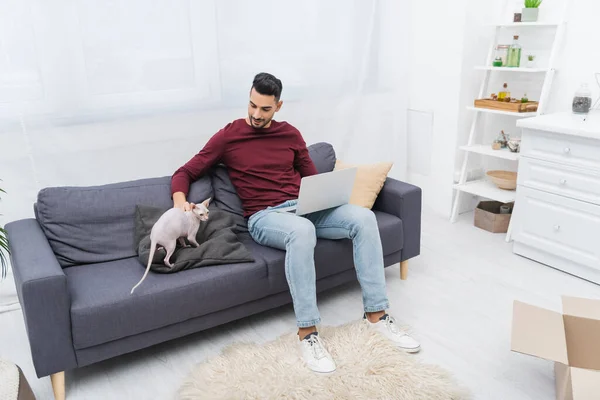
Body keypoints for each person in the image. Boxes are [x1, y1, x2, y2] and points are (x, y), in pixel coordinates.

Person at [171, 72, 420, 374]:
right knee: (303, 232)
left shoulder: (290, 134)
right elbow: (185, 171)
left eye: (264, 109)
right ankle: (308, 333)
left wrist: (325, 196)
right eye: (252, 106)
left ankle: (377, 315)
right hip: (265, 217)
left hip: (303, 207)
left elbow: (313, 178)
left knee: (364, 218)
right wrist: (179, 202)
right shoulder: (229, 136)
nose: (255, 114)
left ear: (278, 106)